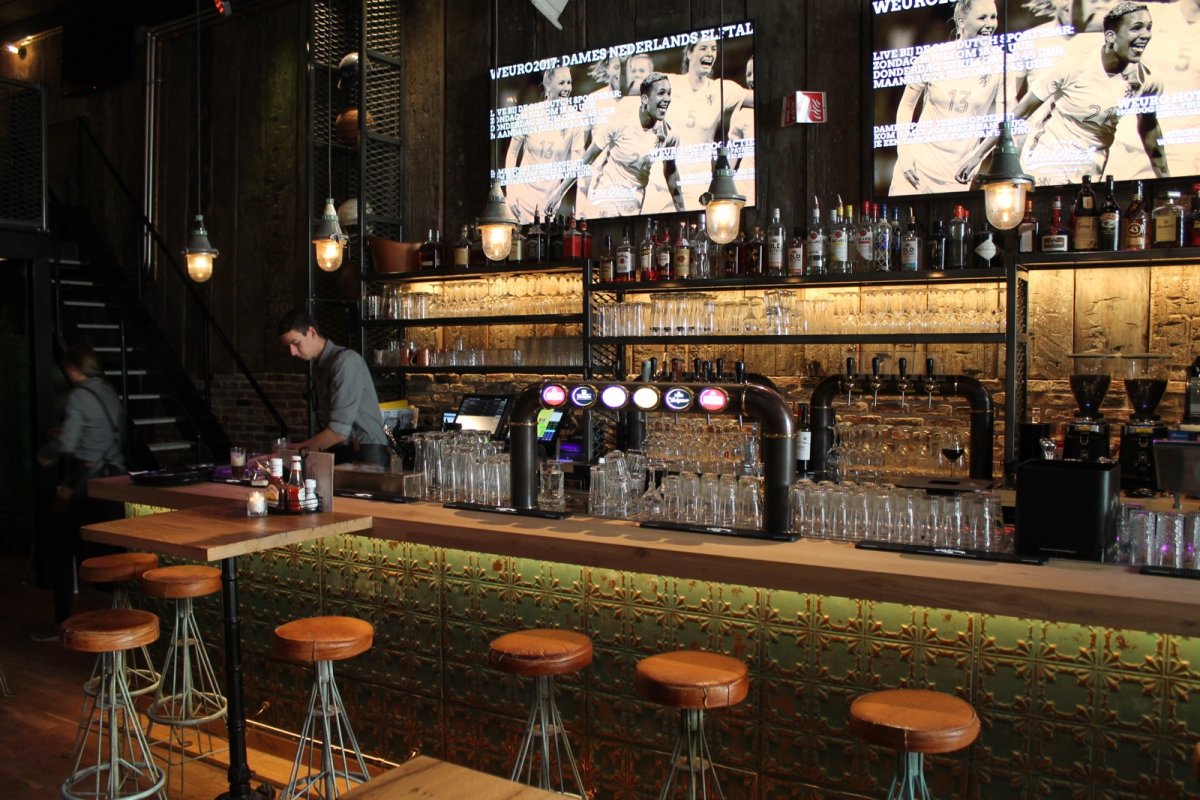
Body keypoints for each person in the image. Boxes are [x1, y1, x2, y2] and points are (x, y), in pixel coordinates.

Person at [958, 1, 1169, 186]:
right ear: (1111, 36)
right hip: (1048, 162)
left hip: (1091, 169)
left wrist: (1166, 180)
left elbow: (1149, 127)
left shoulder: (1148, 78)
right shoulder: (1073, 66)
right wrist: (977, 156)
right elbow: (1019, 113)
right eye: (1137, 28)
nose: (1145, 35)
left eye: (1149, 28)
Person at [32, 343, 126, 641]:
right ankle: (122, 621)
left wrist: (46, 452)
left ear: (72, 368)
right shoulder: (108, 392)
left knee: (62, 550)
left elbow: (68, 444)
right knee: (114, 554)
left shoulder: (77, 396)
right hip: (116, 478)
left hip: (86, 480)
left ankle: (62, 624)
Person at [888, 0, 1003, 195]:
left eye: (993, 17)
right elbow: (907, 105)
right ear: (961, 21)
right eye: (982, 17)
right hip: (915, 169)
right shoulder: (933, 57)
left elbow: (1004, 120)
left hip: (957, 175)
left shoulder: (1001, 62)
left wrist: (978, 157)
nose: (990, 24)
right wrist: (904, 153)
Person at [544, 72, 684, 218]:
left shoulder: (670, 134)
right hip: (604, 199)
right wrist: (558, 194)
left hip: (633, 205)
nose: (667, 98)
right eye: (661, 93)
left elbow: (671, 172)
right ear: (644, 99)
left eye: (669, 93)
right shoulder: (620, 121)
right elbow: (587, 159)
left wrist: (683, 212)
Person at [641, 37, 754, 213]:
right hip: (660, 183)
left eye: (713, 49)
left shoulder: (721, 89)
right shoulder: (669, 83)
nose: (710, 53)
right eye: (703, 48)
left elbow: (757, 98)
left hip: (696, 186)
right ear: (689, 52)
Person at [276, 309, 389, 467]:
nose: (292, 352)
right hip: (345, 452)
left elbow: (338, 431)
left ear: (311, 332)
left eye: (296, 343)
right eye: (288, 346)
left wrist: (297, 450)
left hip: (366, 455)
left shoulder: (346, 362)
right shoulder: (321, 367)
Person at [503, 66, 589, 224]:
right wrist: (511, 191)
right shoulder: (529, 114)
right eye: (561, 83)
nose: (567, 88)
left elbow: (576, 164)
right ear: (548, 86)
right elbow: (512, 153)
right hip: (520, 200)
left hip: (548, 203)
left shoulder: (575, 119)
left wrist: (559, 194)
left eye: (569, 82)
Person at [728, 55, 757, 206]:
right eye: (748, 74)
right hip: (745, 190)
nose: (751, 79)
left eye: (755, 73)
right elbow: (732, 153)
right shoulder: (741, 110)